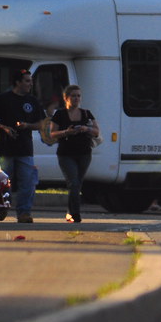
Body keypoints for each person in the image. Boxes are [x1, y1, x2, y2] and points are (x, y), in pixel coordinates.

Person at [0, 69, 45, 223]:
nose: (30, 84)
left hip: (25, 149)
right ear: (18, 82)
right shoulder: (3, 99)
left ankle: (24, 213)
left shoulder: (33, 101)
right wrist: (4, 127)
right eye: (27, 81)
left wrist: (27, 125)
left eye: (31, 81)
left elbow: (40, 124)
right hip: (5, 148)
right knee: (3, 181)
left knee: (27, 182)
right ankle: (1, 207)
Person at [48, 85, 99, 223]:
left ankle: (70, 212)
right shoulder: (59, 114)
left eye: (78, 96)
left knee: (78, 183)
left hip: (84, 153)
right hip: (66, 154)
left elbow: (96, 131)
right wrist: (66, 132)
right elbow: (52, 134)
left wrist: (85, 128)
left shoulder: (86, 113)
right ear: (66, 98)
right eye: (73, 96)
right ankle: (75, 214)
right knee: (74, 182)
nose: (76, 99)